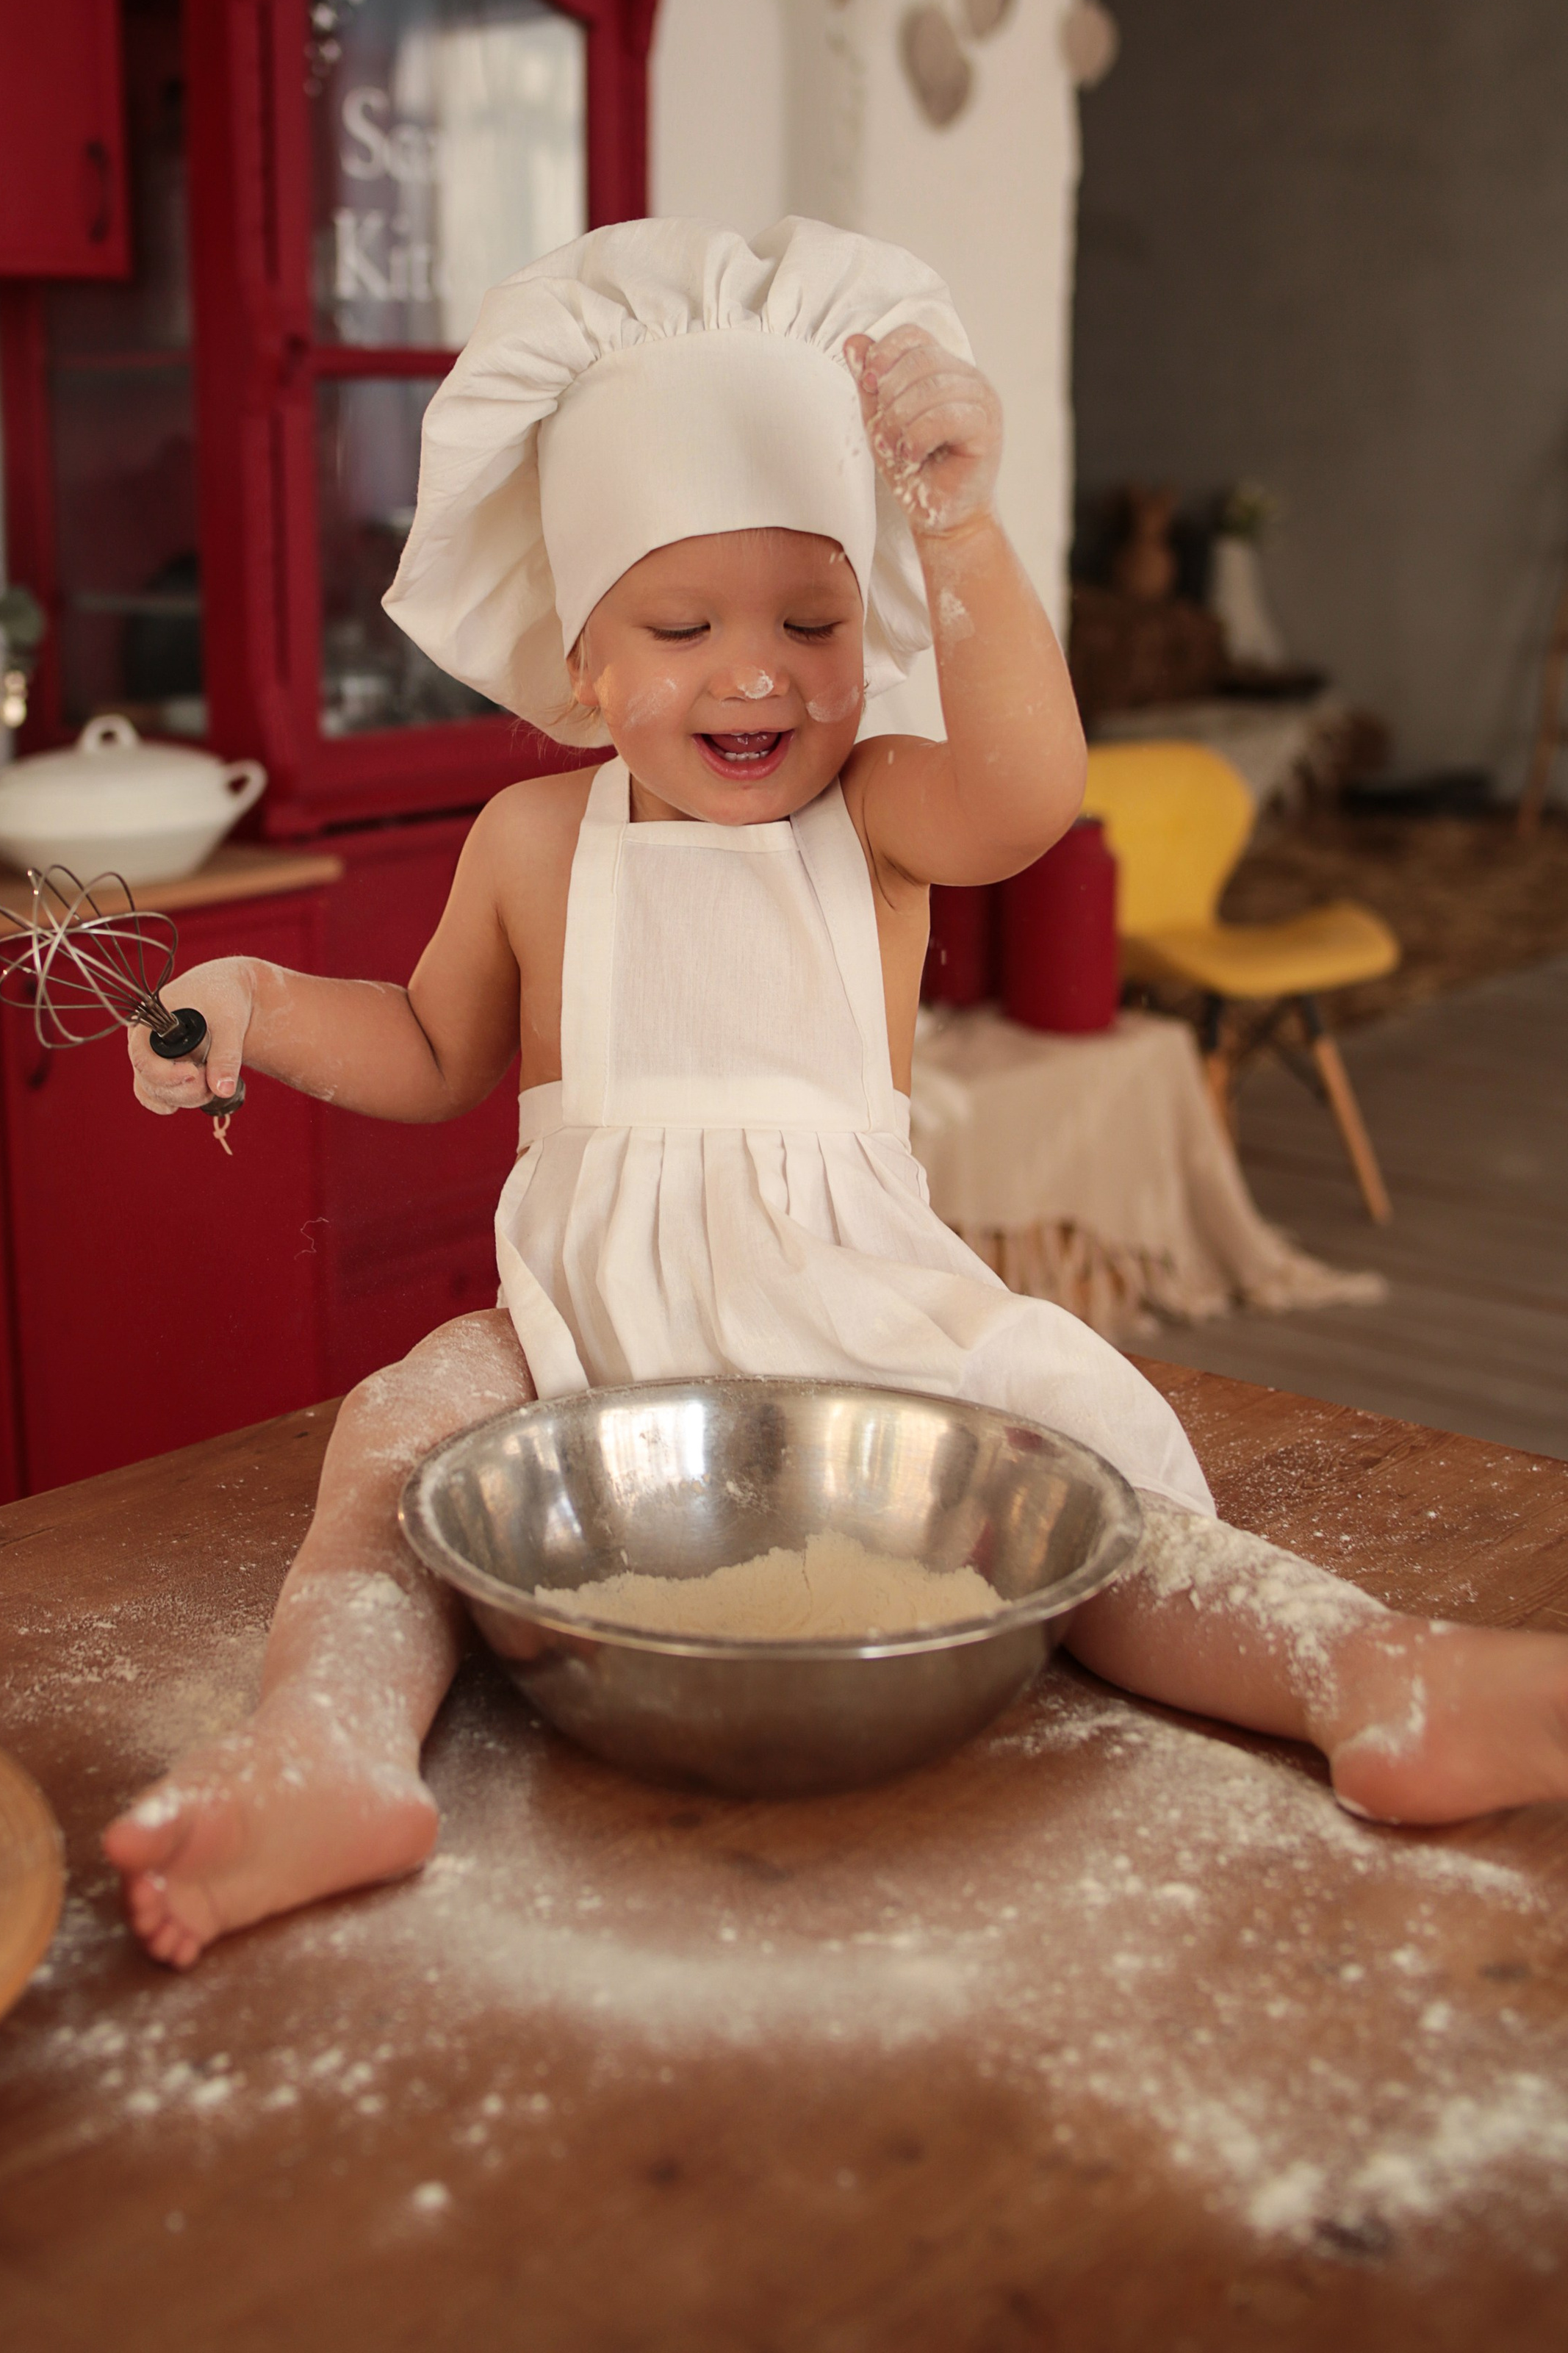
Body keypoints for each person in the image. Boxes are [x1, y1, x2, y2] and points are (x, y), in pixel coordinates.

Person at [104, 220, 1568, 1972]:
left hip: (863, 1322)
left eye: (812, 618)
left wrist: (951, 518)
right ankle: (328, 1745)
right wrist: (254, 1002)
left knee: (1097, 1504)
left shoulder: (873, 823)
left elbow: (1026, 794)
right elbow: (429, 1052)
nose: (756, 669)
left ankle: (1363, 1675)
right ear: (582, 662)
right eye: (681, 621)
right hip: (587, 1343)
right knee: (397, 1436)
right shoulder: (527, 842)